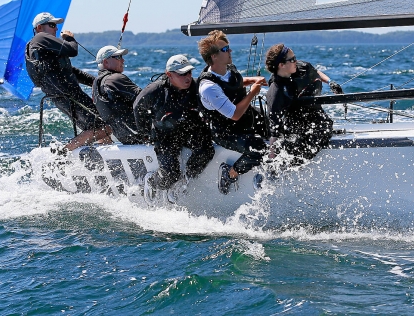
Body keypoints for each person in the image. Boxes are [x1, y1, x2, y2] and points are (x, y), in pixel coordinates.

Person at [24, 12, 112, 152]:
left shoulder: (44, 48)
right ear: (39, 28)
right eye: (52, 25)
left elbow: (74, 72)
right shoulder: (40, 38)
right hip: (69, 95)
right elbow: (72, 50)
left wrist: (98, 83)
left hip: (63, 96)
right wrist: (69, 38)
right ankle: (63, 153)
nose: (56, 29)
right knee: (105, 127)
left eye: (56, 26)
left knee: (97, 128)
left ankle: (107, 162)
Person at [196, 30, 269, 194]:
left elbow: (235, 83)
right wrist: (252, 93)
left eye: (228, 47)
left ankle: (275, 165)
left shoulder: (226, 69)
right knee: (258, 149)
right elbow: (234, 114)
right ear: (214, 57)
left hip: (244, 119)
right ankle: (230, 173)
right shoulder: (208, 87)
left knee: (275, 128)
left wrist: (253, 80)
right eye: (225, 49)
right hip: (226, 132)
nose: (230, 51)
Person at [133, 54, 214, 192]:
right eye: (182, 74)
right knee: (170, 176)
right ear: (169, 74)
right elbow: (137, 107)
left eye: (189, 72)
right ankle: (150, 181)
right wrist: (145, 133)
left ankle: (185, 181)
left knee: (206, 150)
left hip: (190, 131)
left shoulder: (198, 87)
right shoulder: (155, 90)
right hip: (165, 136)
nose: (187, 77)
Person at [264, 43, 341, 167]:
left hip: (316, 115)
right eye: (292, 59)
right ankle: (286, 166)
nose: (296, 61)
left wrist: (330, 82)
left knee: (324, 129)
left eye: (295, 58)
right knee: (294, 145)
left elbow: (315, 72)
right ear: (281, 65)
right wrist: (271, 157)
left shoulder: (300, 67)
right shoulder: (276, 93)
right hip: (296, 122)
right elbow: (274, 130)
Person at [91, 45, 146, 144]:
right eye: (118, 57)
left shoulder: (96, 83)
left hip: (124, 136)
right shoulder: (116, 78)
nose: (123, 60)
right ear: (106, 62)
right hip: (140, 135)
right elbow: (145, 98)